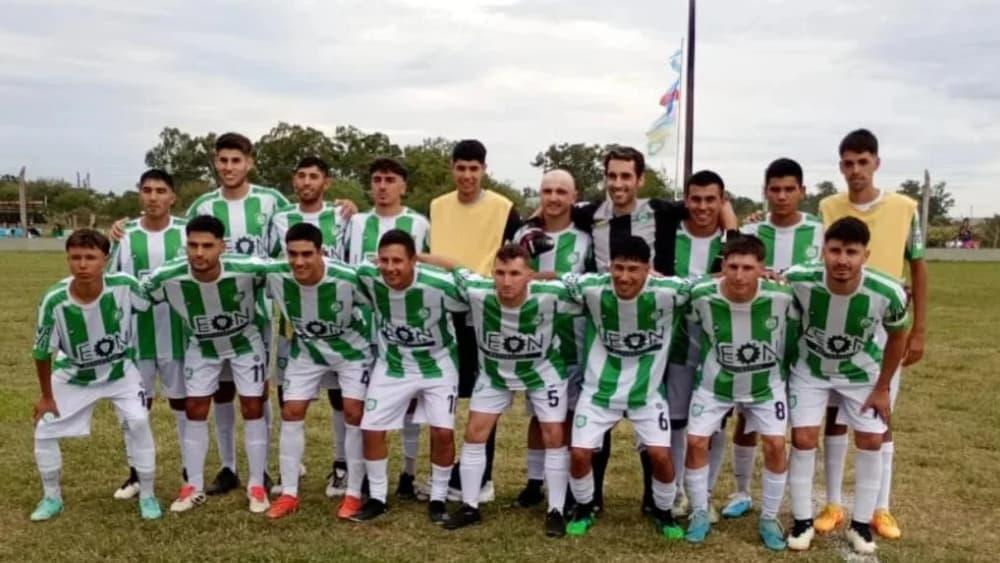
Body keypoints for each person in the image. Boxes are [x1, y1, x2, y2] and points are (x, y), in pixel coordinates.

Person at [566, 147, 737, 513]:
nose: (618, 183)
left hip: (654, 322)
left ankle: (654, 500)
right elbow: (553, 207)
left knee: (651, 409)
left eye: (626, 176)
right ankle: (591, 497)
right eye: (612, 176)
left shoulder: (660, 210)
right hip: (606, 320)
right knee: (601, 410)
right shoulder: (590, 214)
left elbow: (711, 203)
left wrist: (733, 232)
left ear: (640, 179)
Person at [419, 244, 576, 537]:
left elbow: (584, 286)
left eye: (515, 273)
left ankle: (555, 509)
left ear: (528, 275)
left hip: (543, 374)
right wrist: (417, 256)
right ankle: (469, 506)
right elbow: (453, 265)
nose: (506, 281)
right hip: (494, 375)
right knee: (474, 434)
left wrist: (552, 273)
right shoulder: (479, 291)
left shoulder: (549, 294)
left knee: (554, 436)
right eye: (500, 273)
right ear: (492, 273)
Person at [816, 129, 927, 540]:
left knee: (880, 412)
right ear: (840, 165)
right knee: (832, 414)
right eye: (848, 163)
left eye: (863, 162)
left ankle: (881, 506)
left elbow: (918, 265)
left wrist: (919, 330)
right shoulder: (827, 207)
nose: (855, 170)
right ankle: (832, 503)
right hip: (834, 325)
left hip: (884, 326)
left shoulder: (903, 207)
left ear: (876, 163)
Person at [785, 217, 909, 555]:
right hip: (811, 370)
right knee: (803, 437)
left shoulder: (888, 291)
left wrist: (883, 386)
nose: (842, 260)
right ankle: (801, 521)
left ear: (865, 255)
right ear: (823, 251)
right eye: (835, 250)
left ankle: (861, 525)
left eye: (851, 252)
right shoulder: (798, 279)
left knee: (870, 438)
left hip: (862, 373)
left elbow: (898, 336)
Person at [562, 236, 689, 540]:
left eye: (633, 269)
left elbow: (710, 284)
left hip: (645, 394)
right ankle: (585, 506)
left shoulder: (670, 292)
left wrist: (761, 274)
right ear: (609, 267)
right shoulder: (592, 287)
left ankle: (663, 511)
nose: (624, 276)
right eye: (618, 268)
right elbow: (560, 279)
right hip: (599, 392)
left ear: (649, 269)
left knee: (660, 455)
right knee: (579, 454)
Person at [143, 215, 271, 514]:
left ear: (222, 247)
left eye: (207, 246)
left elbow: (285, 269)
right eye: (192, 245)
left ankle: (256, 484)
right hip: (202, 345)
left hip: (244, 343)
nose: (199, 253)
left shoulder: (249, 266)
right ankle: (193, 486)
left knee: (253, 406)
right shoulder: (168, 274)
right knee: (195, 408)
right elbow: (137, 291)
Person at [31, 229, 161, 521]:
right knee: (43, 429)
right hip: (75, 374)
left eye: (90, 257)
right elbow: (41, 353)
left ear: (106, 259)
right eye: (75, 257)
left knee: (139, 422)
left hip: (120, 371)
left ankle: (149, 494)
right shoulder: (54, 300)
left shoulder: (125, 285)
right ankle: (52, 497)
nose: (82, 264)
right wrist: (46, 397)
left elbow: (150, 301)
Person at [722, 158, 823, 519]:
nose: (781, 196)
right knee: (747, 417)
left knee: (799, 425)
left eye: (789, 189)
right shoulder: (753, 231)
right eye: (775, 189)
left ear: (801, 191)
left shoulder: (819, 231)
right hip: (756, 338)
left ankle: (794, 496)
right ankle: (741, 490)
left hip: (803, 338)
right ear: (765, 191)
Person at [681, 235, 797, 551]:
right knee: (695, 442)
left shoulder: (783, 295)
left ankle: (769, 518)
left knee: (775, 444)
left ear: (762, 268)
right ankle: (700, 511)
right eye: (732, 266)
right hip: (714, 386)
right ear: (723, 266)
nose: (739, 275)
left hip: (765, 386)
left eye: (748, 267)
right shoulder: (701, 295)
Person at [350, 229, 468, 523]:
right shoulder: (368, 275)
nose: (390, 268)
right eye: (384, 260)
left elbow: (469, 276)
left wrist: (427, 258)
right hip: (393, 364)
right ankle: (377, 497)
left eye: (398, 261)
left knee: (443, 431)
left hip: (438, 364)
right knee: (371, 428)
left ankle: (438, 498)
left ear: (414, 261)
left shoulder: (439, 285)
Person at [429, 139, 521, 504]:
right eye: (461, 168)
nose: (467, 175)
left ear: (484, 169)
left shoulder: (504, 208)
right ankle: (448, 472)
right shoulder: (437, 206)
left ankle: (481, 479)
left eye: (474, 168)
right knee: (445, 394)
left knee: (483, 396)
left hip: (484, 314)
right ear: (452, 168)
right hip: (442, 314)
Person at [261, 223, 372, 519]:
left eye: (307, 254)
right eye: (292, 254)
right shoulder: (275, 274)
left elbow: (381, 301)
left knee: (353, 412)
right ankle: (288, 493)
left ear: (321, 252)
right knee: (291, 410)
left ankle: (353, 492)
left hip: (352, 352)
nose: (299, 261)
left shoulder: (349, 279)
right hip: (308, 350)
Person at [343, 157, 430, 501]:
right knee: (359, 405)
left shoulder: (419, 223)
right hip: (362, 329)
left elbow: (423, 272)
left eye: (390, 179)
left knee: (410, 404)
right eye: (377, 179)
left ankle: (408, 473)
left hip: (404, 329)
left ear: (403, 186)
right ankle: (359, 474)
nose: (382, 186)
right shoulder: (355, 221)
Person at [267, 156, 349, 497]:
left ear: (326, 182)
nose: (306, 182)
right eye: (300, 175)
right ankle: (293, 464)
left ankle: (341, 464)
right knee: (290, 393)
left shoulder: (342, 215)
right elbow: (270, 261)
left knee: (340, 396)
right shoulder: (279, 219)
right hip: (292, 323)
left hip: (335, 319)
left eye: (314, 176)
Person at [511, 169, 592, 510]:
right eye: (547, 190)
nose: (554, 197)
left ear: (574, 197)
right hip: (536, 339)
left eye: (562, 191)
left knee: (570, 413)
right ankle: (534, 482)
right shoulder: (523, 235)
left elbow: (594, 283)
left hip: (573, 337)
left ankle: (571, 485)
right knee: (539, 415)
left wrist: (556, 276)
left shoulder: (586, 238)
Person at [106, 169, 188, 500]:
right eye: (147, 190)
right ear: (140, 194)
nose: (153, 197)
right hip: (136, 339)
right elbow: (112, 284)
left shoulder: (185, 233)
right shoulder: (125, 236)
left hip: (179, 336)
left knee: (185, 407)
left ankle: (190, 473)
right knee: (137, 410)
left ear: (172, 197)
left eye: (160, 191)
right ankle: (137, 474)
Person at [665, 170, 729, 519]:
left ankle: (704, 492)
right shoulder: (667, 238)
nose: (703, 207)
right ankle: (675, 492)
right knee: (675, 421)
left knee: (715, 424)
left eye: (710, 199)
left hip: (717, 350)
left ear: (722, 201)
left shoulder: (733, 241)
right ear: (686, 200)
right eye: (696, 199)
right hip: (674, 346)